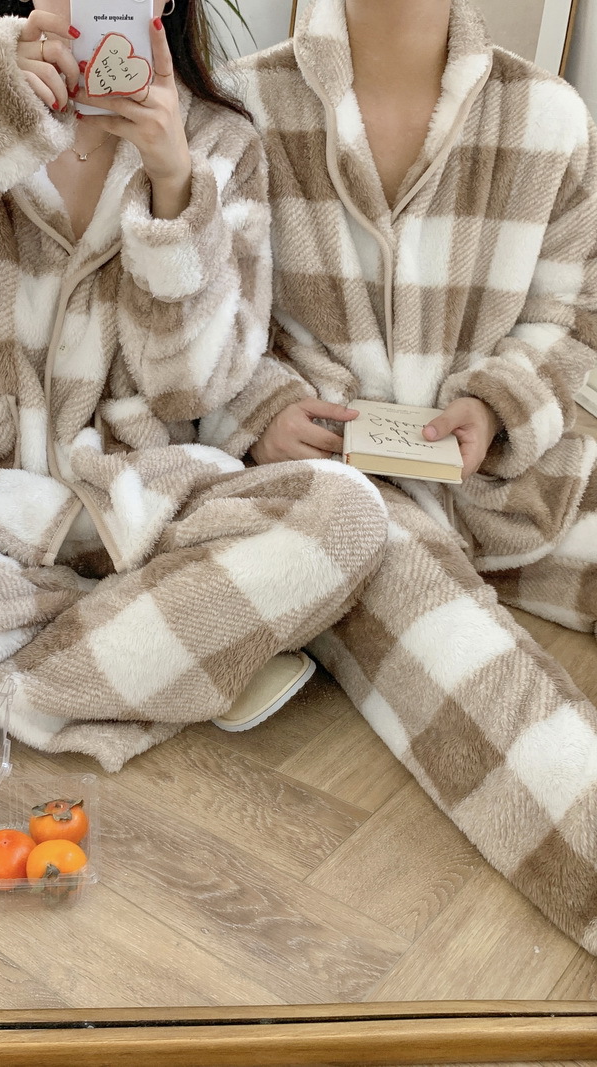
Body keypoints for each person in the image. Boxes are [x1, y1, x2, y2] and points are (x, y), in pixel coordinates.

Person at [0, 0, 390, 806]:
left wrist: (175, 187)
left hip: (139, 511)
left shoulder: (220, 144)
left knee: (344, 515)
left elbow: (193, 386)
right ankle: (164, 645)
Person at [206, 0, 597, 952]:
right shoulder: (241, 110)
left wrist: (498, 405)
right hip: (343, 491)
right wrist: (261, 408)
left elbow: (571, 319)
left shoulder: (548, 117)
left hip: (517, 476)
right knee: (473, 681)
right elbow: (208, 321)